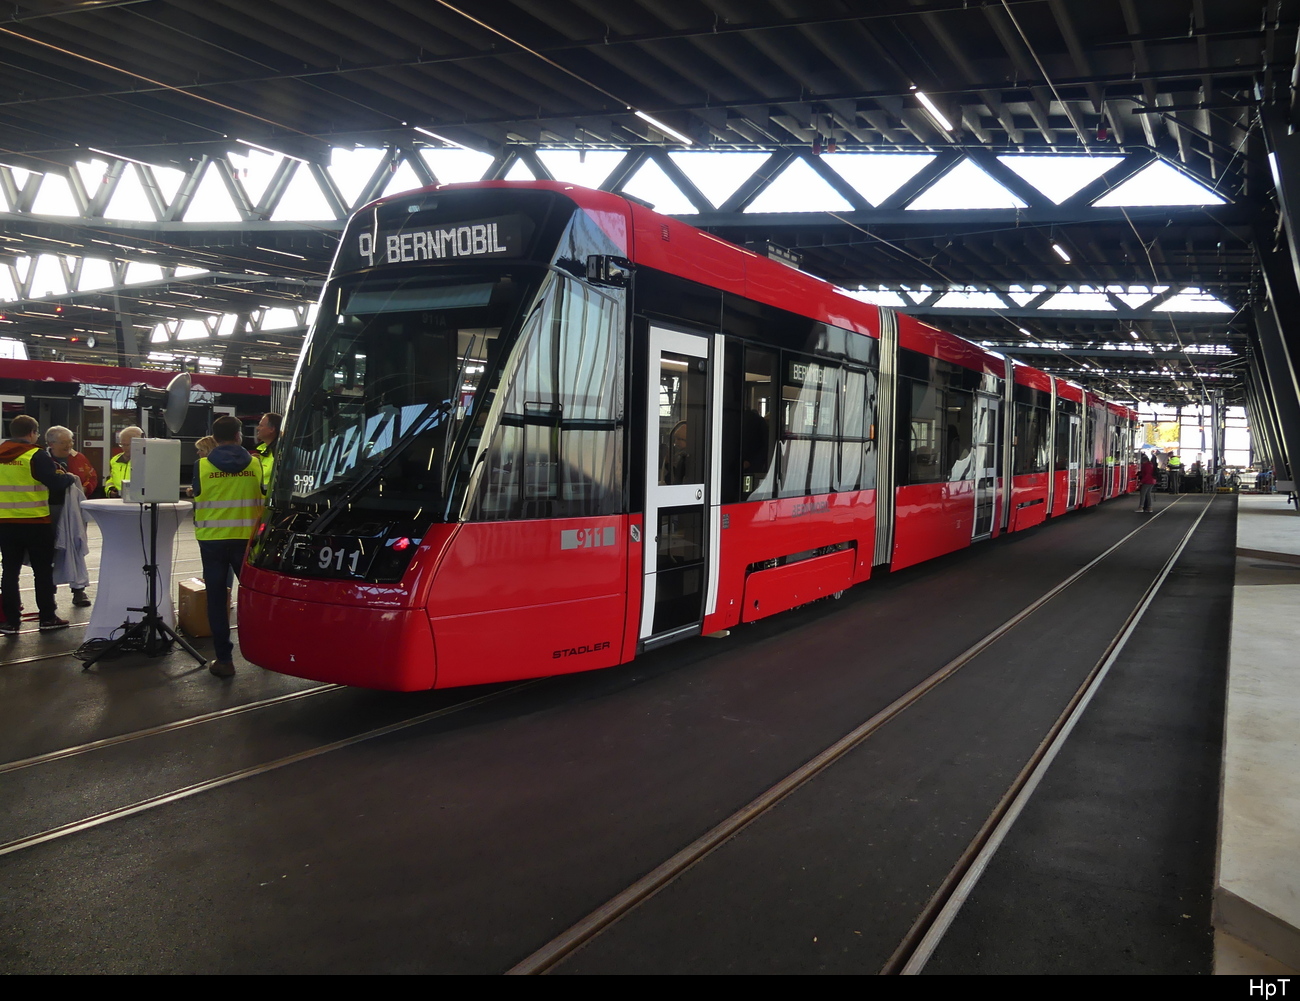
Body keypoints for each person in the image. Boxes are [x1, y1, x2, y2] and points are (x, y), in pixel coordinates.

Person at [192, 415, 265, 678]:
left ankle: (224, 660)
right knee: (253, 597)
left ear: (214, 437)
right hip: (246, 541)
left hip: (212, 541)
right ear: (238, 436)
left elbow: (198, 494)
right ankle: (263, 653)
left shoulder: (201, 466)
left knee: (217, 600)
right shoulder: (255, 465)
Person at [0, 415, 73, 634]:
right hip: (36, 523)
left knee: (9, 572)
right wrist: (68, 477)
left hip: (5, 524)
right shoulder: (36, 454)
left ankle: (10, 622)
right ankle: (47, 618)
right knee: (42, 572)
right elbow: (54, 482)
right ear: (32, 432)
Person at [44, 426, 93, 607]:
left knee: (76, 547)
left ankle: (78, 590)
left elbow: (91, 475)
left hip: (74, 510)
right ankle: (50, 592)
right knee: (50, 551)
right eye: (64, 442)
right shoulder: (43, 459)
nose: (68, 445)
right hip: (49, 510)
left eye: (70, 441)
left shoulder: (78, 457)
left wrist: (86, 488)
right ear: (51, 443)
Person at [105, 426, 143, 498]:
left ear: (139, 443)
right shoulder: (115, 460)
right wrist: (110, 490)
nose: (124, 447)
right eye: (122, 444)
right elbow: (110, 480)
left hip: (138, 501)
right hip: (118, 500)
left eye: (127, 445)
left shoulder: (146, 460)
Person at [253, 412, 281, 489]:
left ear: (272, 429)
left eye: (261, 425)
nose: (257, 428)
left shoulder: (281, 452)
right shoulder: (262, 450)